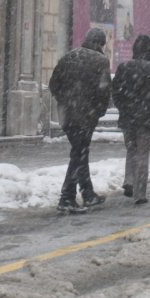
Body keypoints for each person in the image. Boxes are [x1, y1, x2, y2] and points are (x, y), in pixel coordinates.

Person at [49, 28, 112, 213]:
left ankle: (88, 193)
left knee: (80, 153)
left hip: (67, 114)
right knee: (78, 154)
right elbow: (104, 91)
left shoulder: (69, 56)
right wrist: (97, 111)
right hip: (86, 116)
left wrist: (65, 101)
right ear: (101, 44)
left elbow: (54, 84)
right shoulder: (101, 61)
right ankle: (66, 197)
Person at [111, 34, 150, 205]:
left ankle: (129, 180)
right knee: (142, 155)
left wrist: (124, 109)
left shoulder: (123, 67)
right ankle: (140, 193)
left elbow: (116, 93)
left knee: (131, 150)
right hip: (145, 120)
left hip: (128, 119)